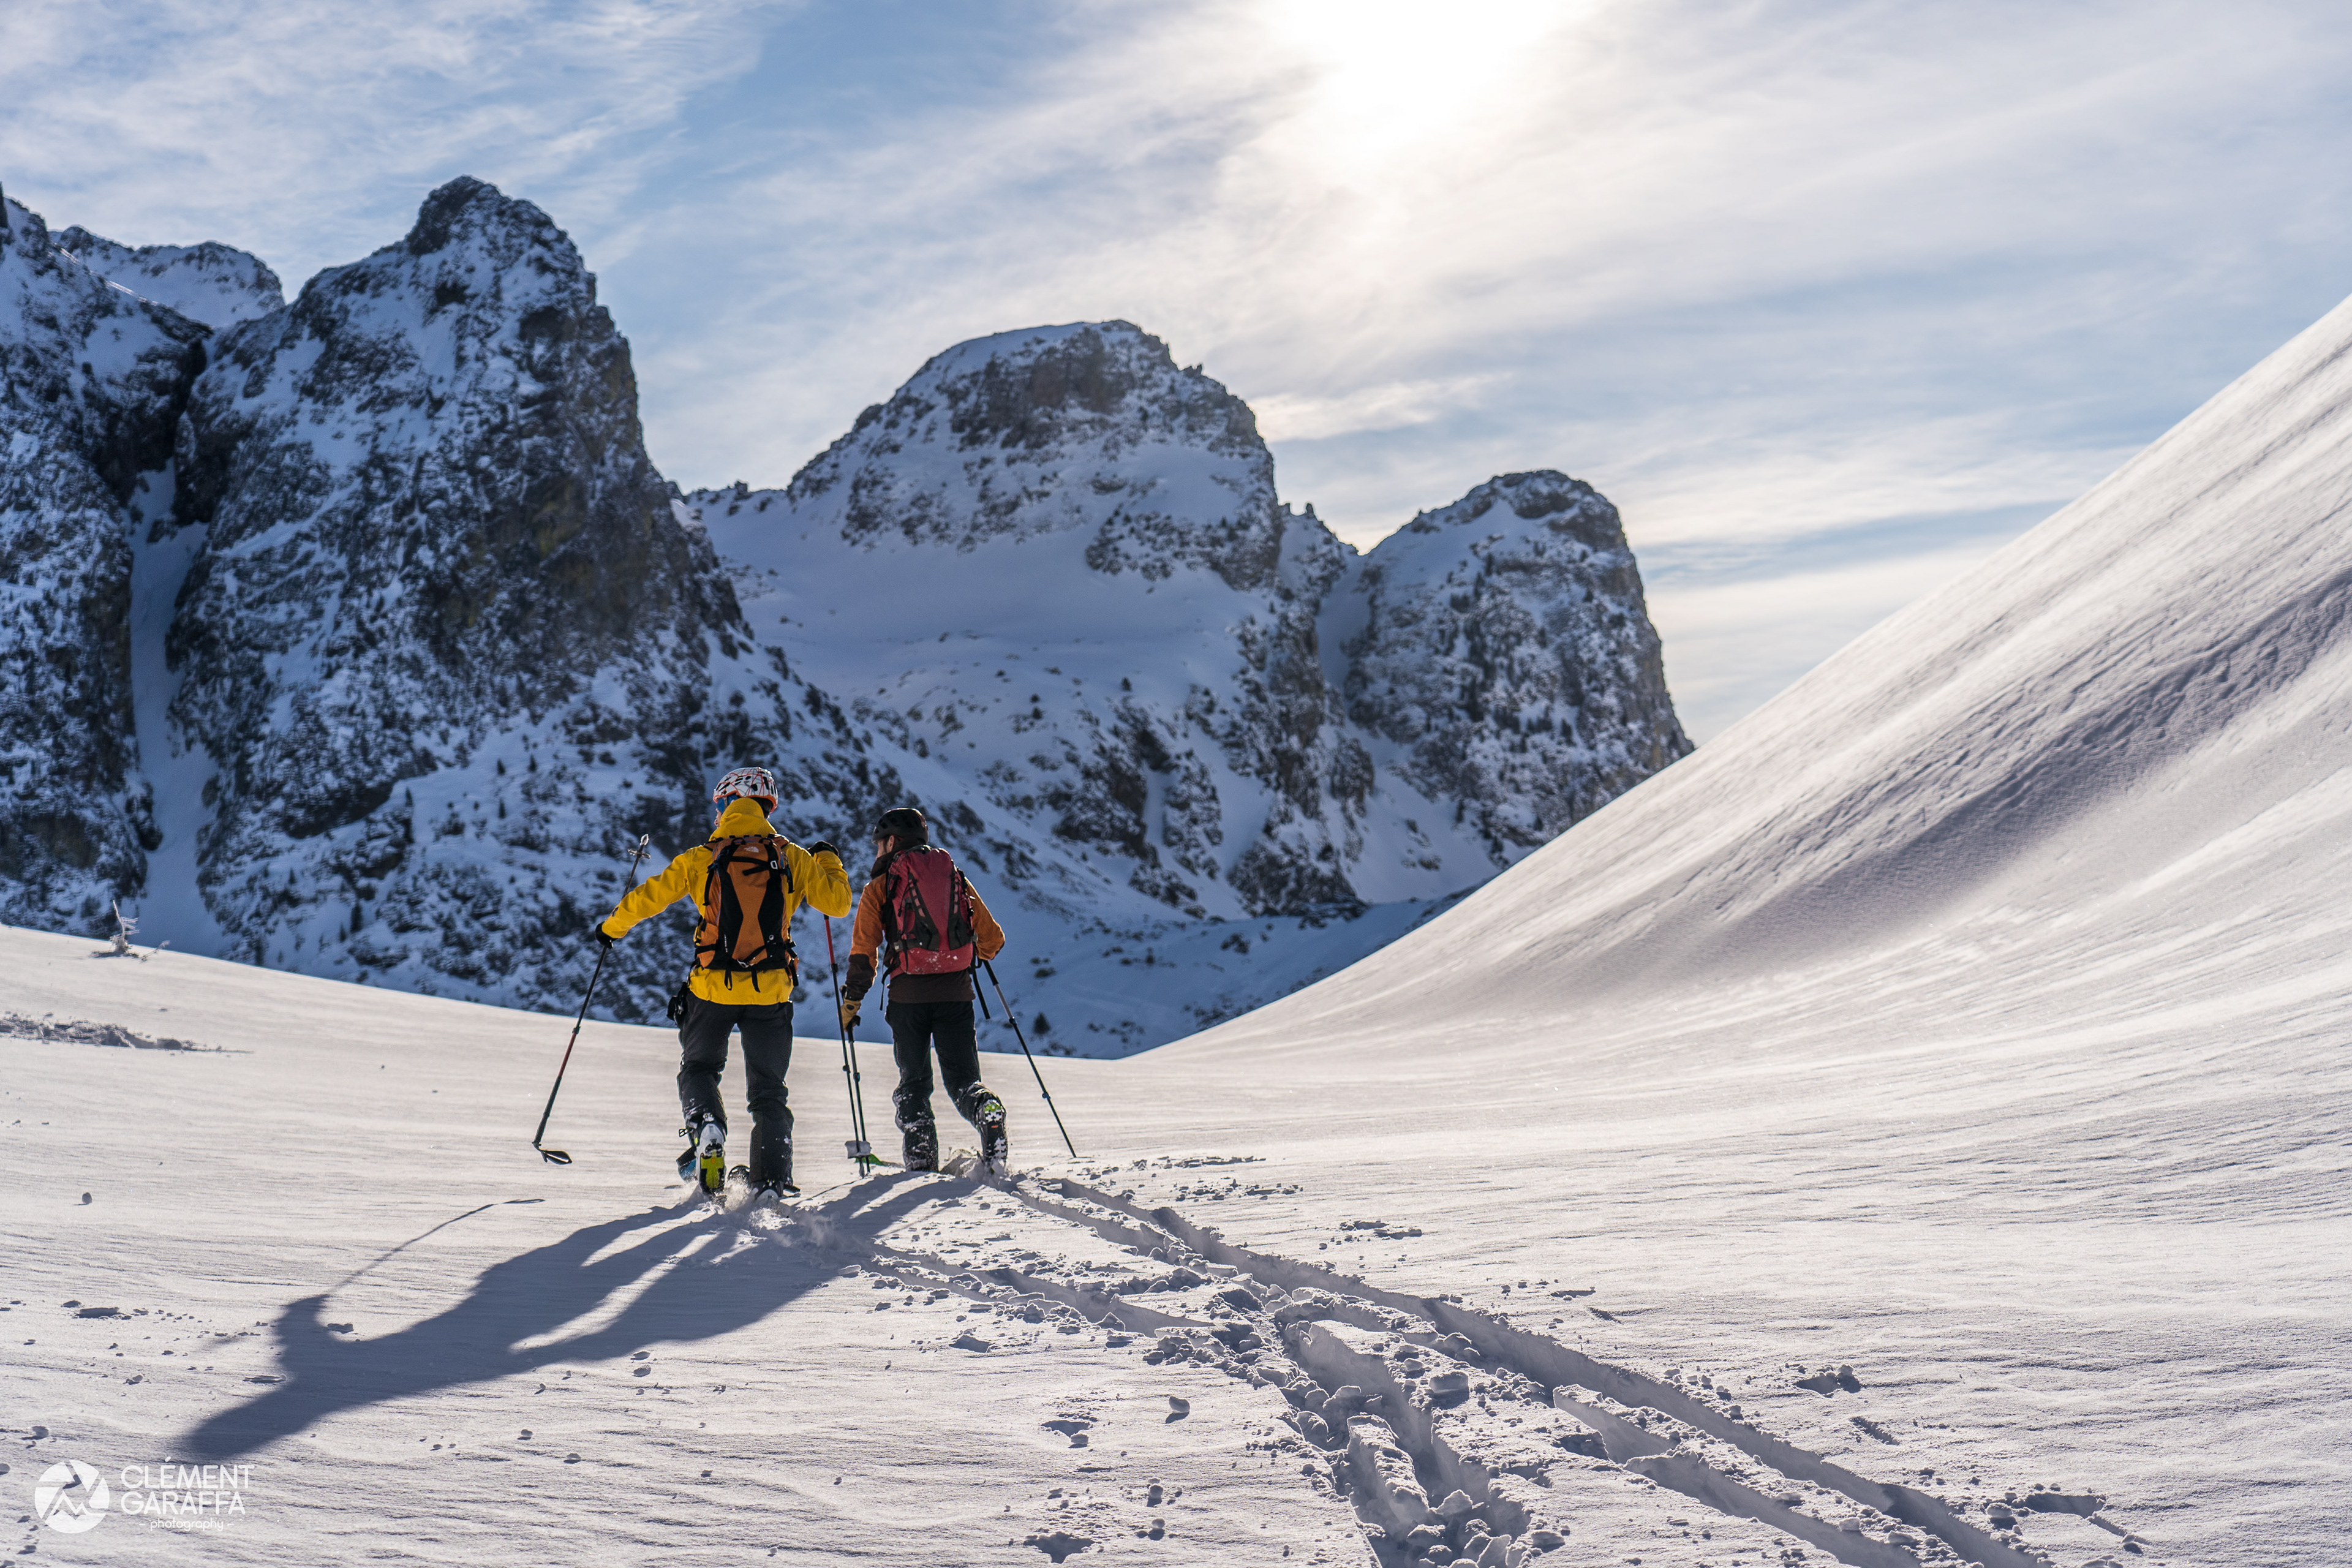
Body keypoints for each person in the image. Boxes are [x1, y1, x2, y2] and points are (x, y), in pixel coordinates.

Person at [595, 766, 850, 1199]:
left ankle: (708, 1127)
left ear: (729, 803)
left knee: (699, 1068)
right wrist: (828, 860)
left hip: (712, 987)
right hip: (771, 991)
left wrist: (611, 929)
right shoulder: (792, 856)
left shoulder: (703, 857)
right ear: (765, 807)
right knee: (769, 1092)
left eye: (719, 804)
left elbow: (649, 898)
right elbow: (839, 904)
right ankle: (771, 1181)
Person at [840, 806, 1010, 1175]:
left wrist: (852, 1001)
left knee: (914, 1083)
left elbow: (864, 950)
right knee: (964, 1081)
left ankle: (921, 1160)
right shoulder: (954, 877)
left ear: (892, 842)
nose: (877, 851)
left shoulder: (880, 887)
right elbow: (993, 940)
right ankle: (986, 1109)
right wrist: (960, 954)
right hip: (957, 995)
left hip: (908, 1000)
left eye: (879, 844)